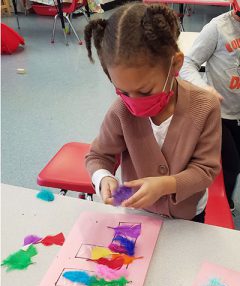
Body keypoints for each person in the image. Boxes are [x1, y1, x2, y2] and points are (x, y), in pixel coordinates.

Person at [84, 3, 221, 223]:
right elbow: (98, 156)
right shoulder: (120, 110)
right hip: (138, 213)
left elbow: (206, 170)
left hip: (187, 214)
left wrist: (166, 185)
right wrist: (103, 177)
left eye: (145, 91)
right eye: (123, 91)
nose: (134, 101)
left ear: (175, 64)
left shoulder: (205, 106)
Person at [180, 0, 240, 211]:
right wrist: (205, 89)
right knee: (231, 163)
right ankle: (224, 203)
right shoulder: (217, 27)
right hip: (220, 113)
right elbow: (187, 64)